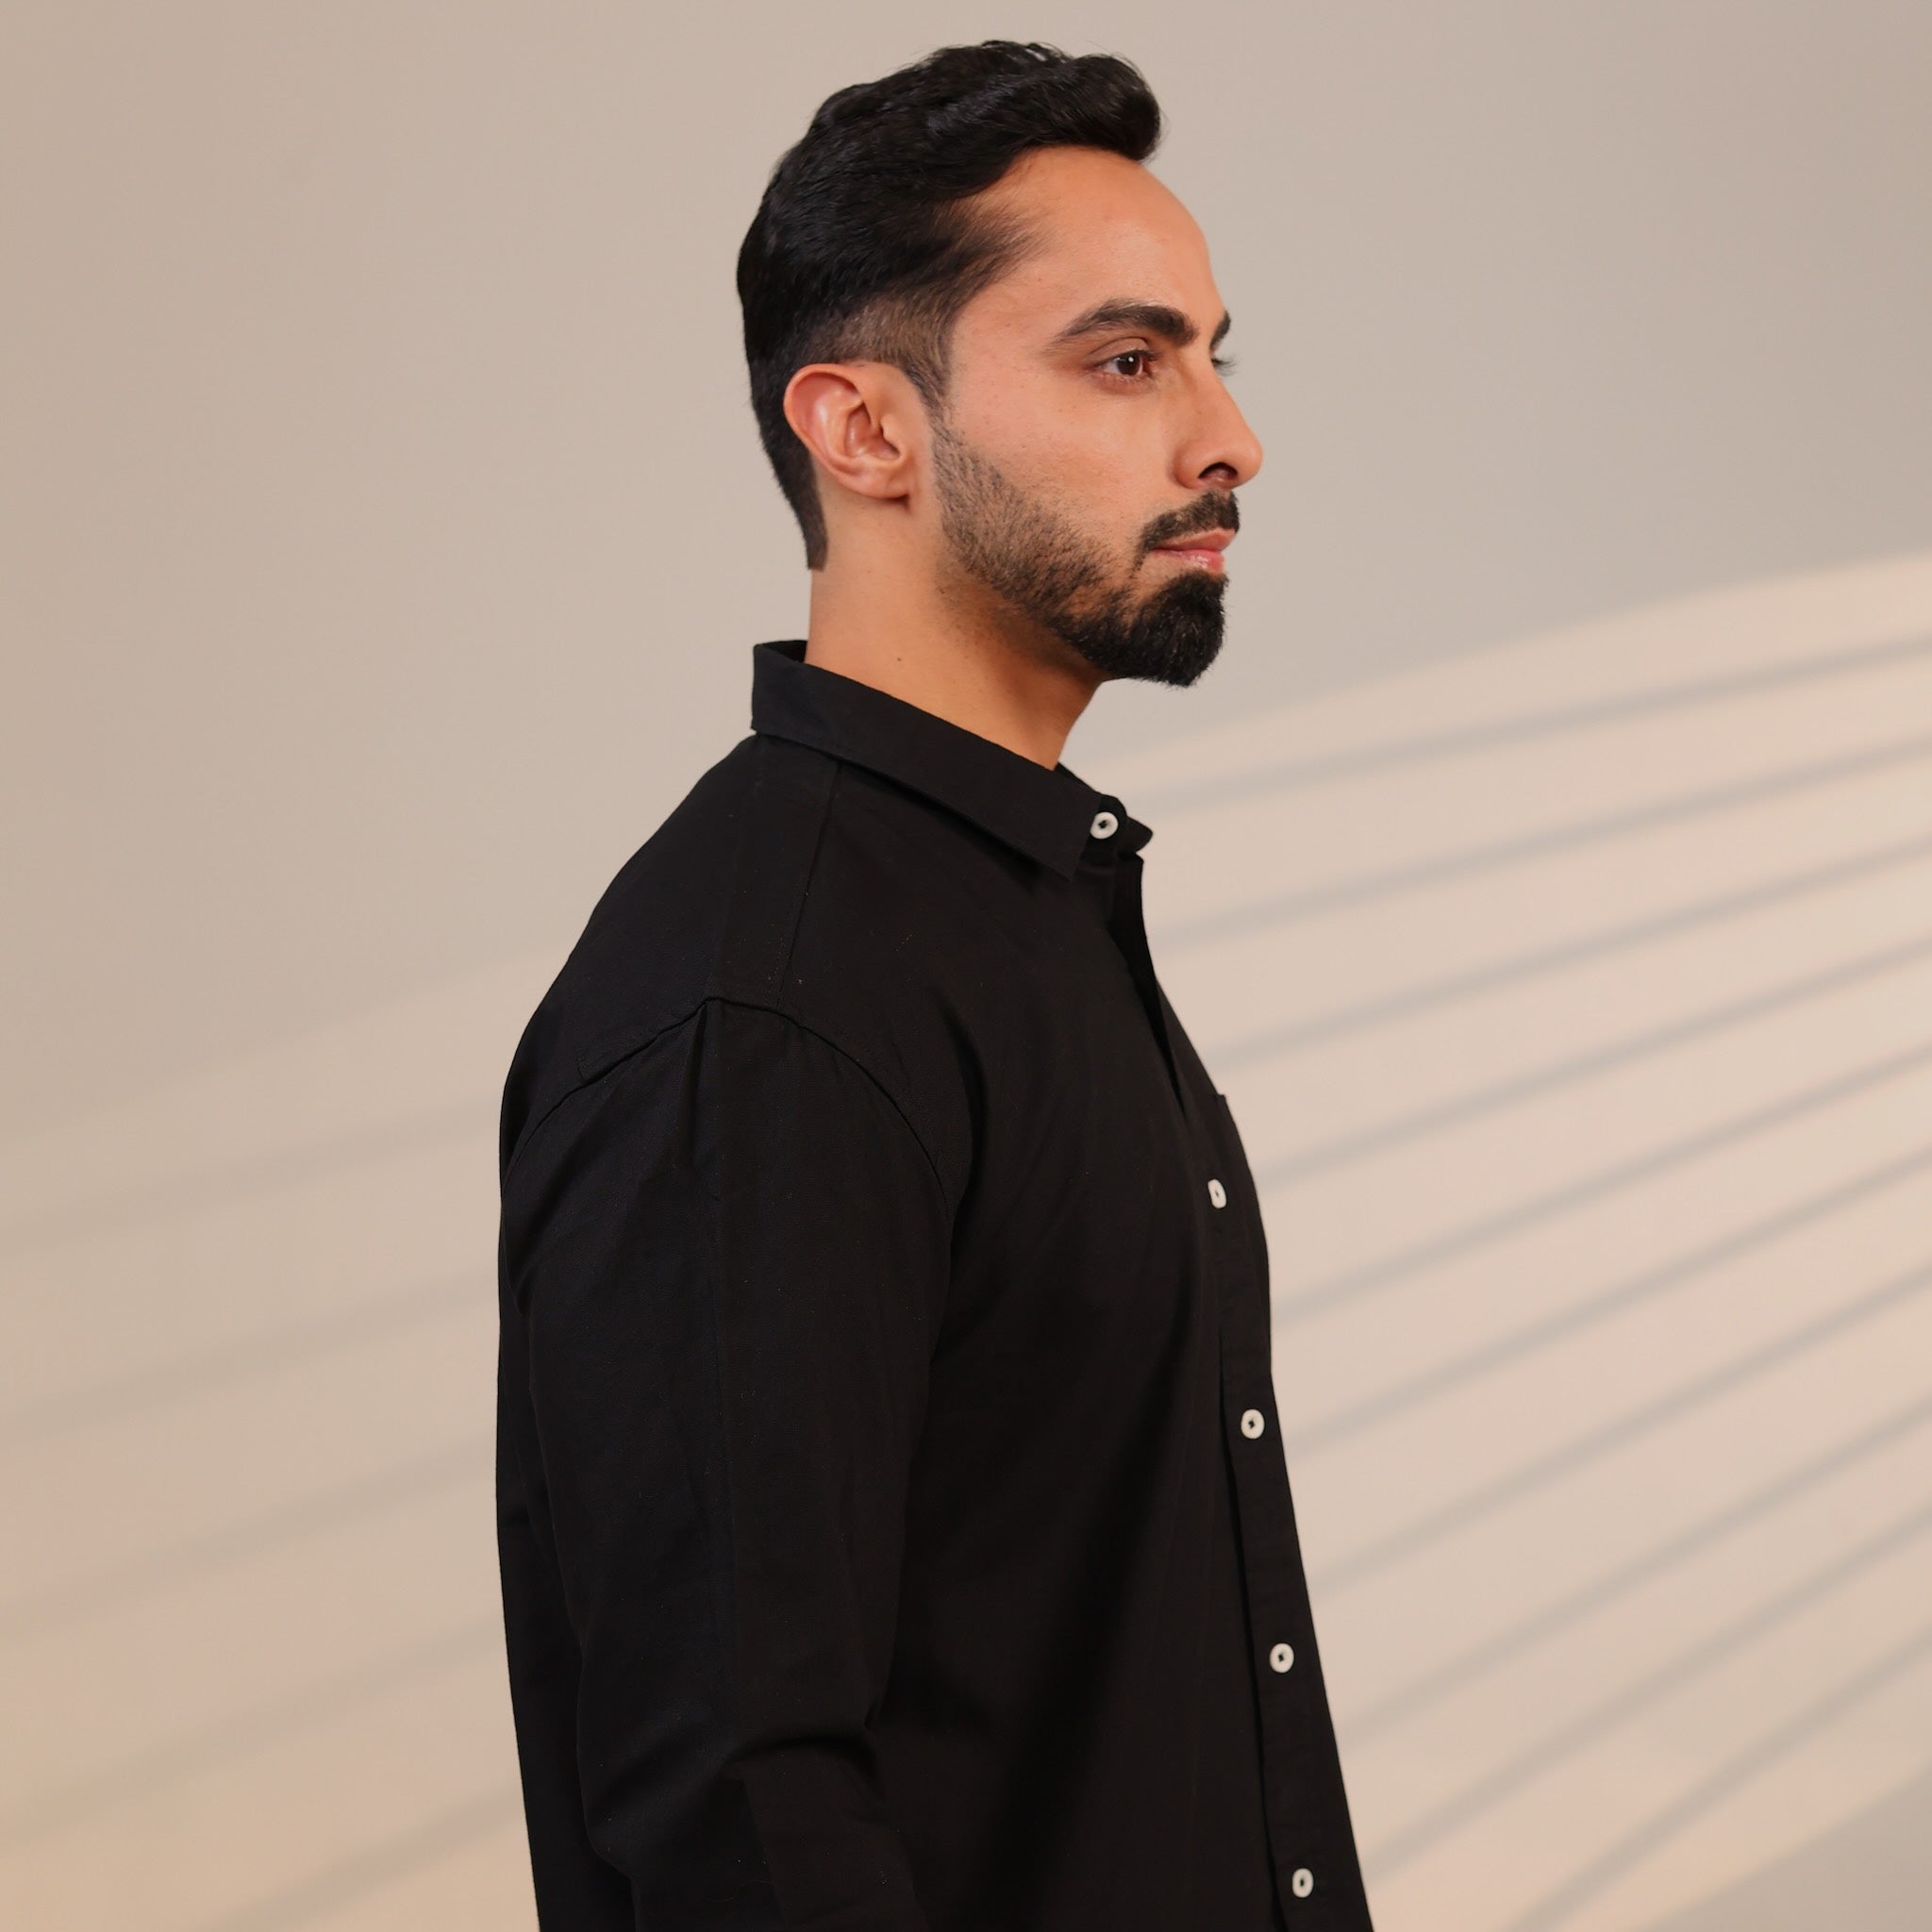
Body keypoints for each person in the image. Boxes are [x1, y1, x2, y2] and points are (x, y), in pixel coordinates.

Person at [495, 39, 1375, 1931]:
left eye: (1217, 355)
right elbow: (740, 1811)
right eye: (1128, 361)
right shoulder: (774, 1000)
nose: (1227, 438)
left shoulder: (1013, 902)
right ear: (865, 431)